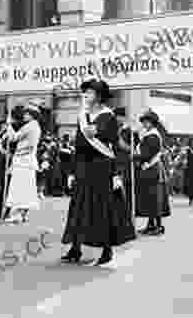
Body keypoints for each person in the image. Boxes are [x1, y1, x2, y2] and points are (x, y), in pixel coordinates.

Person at [61, 79, 135, 266]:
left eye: (90, 92)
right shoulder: (83, 115)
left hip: (102, 166)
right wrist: (72, 171)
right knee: (79, 207)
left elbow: (97, 135)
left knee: (102, 208)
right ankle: (75, 248)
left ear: (99, 96)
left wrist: (116, 173)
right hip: (84, 166)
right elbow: (79, 144)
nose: (85, 95)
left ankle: (106, 250)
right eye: (84, 92)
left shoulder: (107, 116)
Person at [3, 102, 42, 224]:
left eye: (27, 113)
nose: (24, 115)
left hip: (23, 160)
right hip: (27, 160)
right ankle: (22, 213)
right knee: (26, 188)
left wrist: (9, 125)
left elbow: (14, 137)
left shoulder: (30, 126)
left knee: (20, 188)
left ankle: (18, 214)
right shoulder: (35, 126)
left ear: (32, 115)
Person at [134, 110, 171, 236]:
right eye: (144, 121)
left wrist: (135, 157)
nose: (145, 123)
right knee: (150, 198)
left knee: (155, 198)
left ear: (153, 123)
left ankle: (159, 226)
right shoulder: (149, 134)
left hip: (153, 169)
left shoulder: (153, 136)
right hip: (149, 169)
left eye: (147, 121)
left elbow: (147, 154)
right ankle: (151, 225)